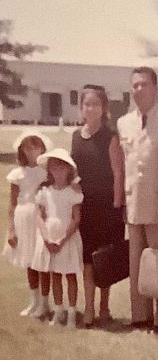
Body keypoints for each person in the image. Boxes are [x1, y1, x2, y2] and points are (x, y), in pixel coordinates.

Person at [117, 67, 158, 334]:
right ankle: (140, 316)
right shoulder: (123, 122)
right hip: (133, 202)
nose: (138, 90)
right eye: (135, 85)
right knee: (136, 262)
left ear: (155, 88)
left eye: (143, 85)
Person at [71, 86, 125, 328]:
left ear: (103, 108)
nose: (89, 108)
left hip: (107, 206)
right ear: (81, 108)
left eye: (95, 104)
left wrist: (117, 204)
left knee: (106, 259)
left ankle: (104, 307)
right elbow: (73, 170)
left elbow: (117, 172)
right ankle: (89, 308)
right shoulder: (75, 136)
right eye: (86, 104)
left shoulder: (110, 137)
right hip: (85, 206)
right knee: (87, 260)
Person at [31, 148, 84, 328]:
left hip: (67, 237)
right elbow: (39, 216)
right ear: (49, 170)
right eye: (54, 167)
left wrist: (62, 239)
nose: (58, 171)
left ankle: (71, 313)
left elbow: (76, 218)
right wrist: (47, 238)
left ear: (69, 170)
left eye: (62, 167)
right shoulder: (45, 191)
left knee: (69, 275)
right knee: (54, 275)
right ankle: (59, 310)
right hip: (50, 237)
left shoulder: (73, 191)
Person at [2, 129, 52, 317]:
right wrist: (11, 230)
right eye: (27, 149)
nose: (31, 152)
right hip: (23, 217)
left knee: (42, 260)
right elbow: (12, 203)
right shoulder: (17, 174)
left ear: (42, 149)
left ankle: (45, 304)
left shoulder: (47, 172)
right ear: (21, 151)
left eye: (35, 147)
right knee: (29, 261)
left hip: (41, 217)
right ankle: (34, 301)